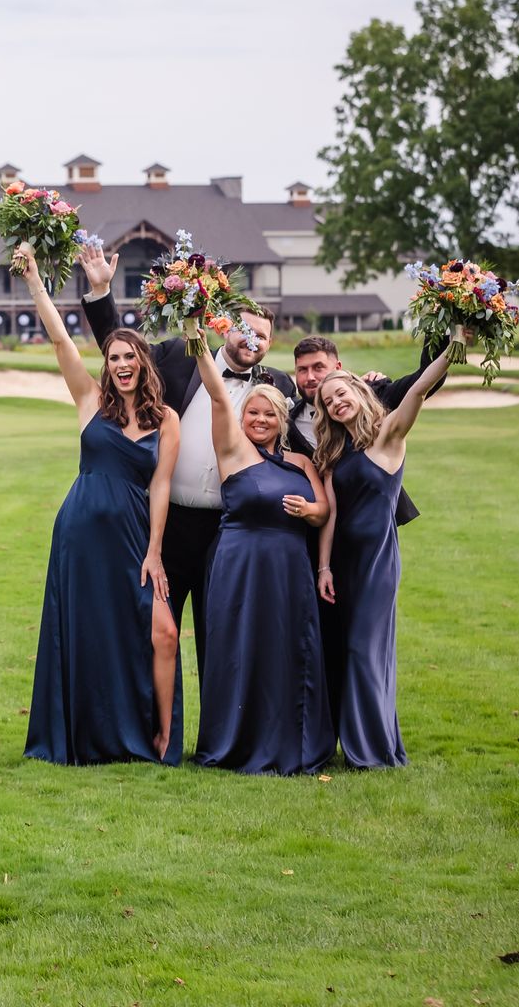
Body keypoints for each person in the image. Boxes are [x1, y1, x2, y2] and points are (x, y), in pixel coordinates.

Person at [77, 243, 294, 679]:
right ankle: (153, 734)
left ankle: (218, 741)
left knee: (223, 635)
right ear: (223, 327)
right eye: (244, 329)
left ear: (271, 345)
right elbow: (122, 351)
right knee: (155, 631)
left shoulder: (279, 386)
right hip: (167, 523)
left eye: (262, 336)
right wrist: (101, 291)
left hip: (230, 530)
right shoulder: (178, 357)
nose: (251, 340)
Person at [13, 243, 184, 766]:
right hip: (81, 533)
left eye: (130, 356)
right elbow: (60, 336)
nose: (122, 364)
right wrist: (36, 281)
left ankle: (159, 735)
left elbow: (160, 487)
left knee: (162, 631)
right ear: (106, 366)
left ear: (143, 362)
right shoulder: (89, 399)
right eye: (114, 357)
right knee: (86, 631)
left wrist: (155, 551)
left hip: (134, 535)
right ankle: (85, 736)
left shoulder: (167, 420)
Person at [313, 329, 463, 769]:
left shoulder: (388, 436)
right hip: (340, 562)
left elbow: (417, 389)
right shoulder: (335, 452)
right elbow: (334, 514)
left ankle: (372, 751)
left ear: (357, 389)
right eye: (328, 402)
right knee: (344, 650)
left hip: (376, 562)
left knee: (365, 649)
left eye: (341, 393)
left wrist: (452, 350)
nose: (337, 403)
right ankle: (360, 741)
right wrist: (323, 568)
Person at [187, 330, 334, 775]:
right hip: (240, 565)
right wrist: (196, 340)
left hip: (290, 569)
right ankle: (234, 740)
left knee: (289, 651)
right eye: (252, 411)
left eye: (269, 413)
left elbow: (325, 508)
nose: (260, 419)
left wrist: (309, 510)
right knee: (239, 649)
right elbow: (216, 394)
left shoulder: (302, 463)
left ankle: (293, 738)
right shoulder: (233, 452)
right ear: (242, 416)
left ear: (282, 419)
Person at [286, 334, 442, 527]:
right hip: (312, 528)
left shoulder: (372, 395)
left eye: (318, 367)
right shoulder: (286, 421)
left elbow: (424, 381)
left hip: (371, 525)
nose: (310, 377)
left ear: (338, 369)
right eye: (302, 370)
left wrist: (441, 331)